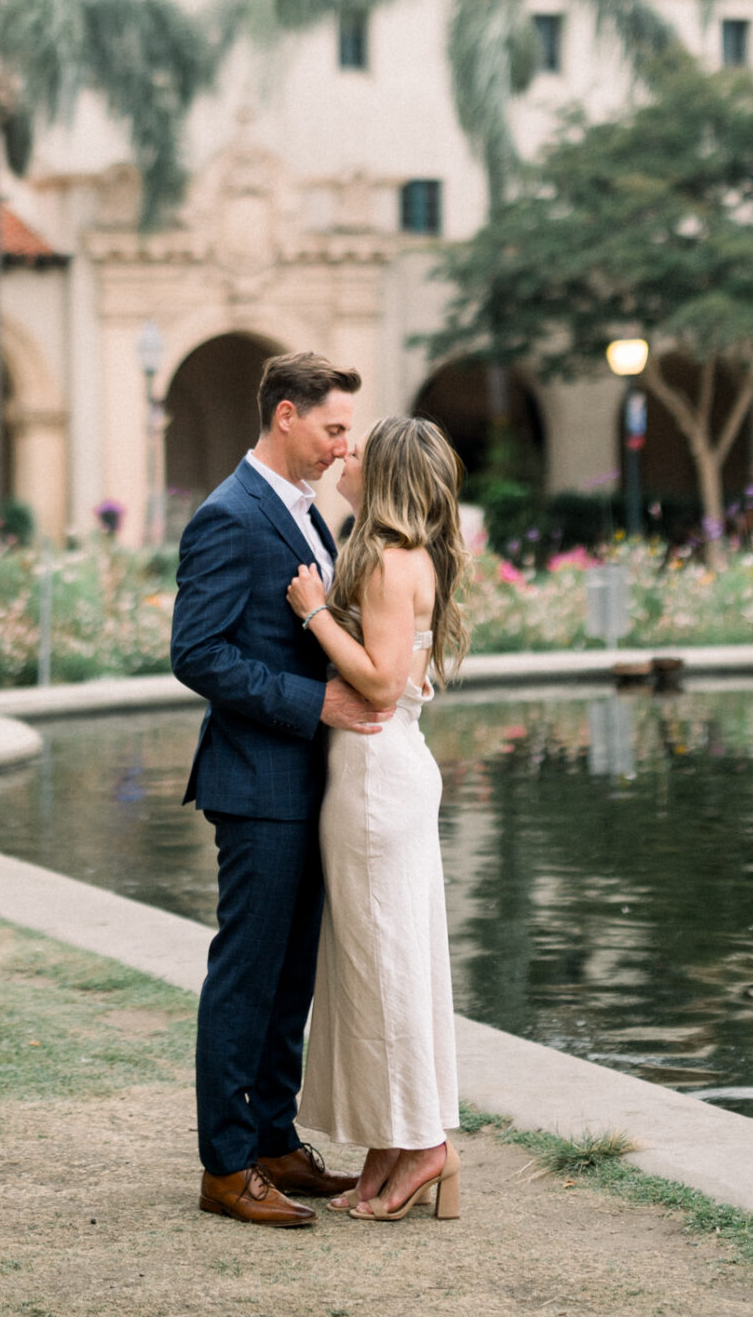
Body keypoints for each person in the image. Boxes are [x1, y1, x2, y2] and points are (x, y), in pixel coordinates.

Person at [170, 350, 382, 1227]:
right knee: (248, 976)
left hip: (304, 784)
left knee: (291, 974)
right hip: (258, 782)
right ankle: (226, 1166)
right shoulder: (230, 514)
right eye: (334, 428)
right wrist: (315, 699)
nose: (344, 446)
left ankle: (273, 1137)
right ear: (286, 415)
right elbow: (198, 652)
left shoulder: (304, 513)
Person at [289, 413, 468, 1221]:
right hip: (376, 776)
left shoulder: (392, 564)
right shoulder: (398, 555)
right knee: (382, 966)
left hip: (375, 781)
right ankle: (393, 1141)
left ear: (385, 474)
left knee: (384, 969)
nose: (342, 456)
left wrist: (314, 612)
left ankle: (425, 1146)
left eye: (357, 451)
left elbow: (382, 683)